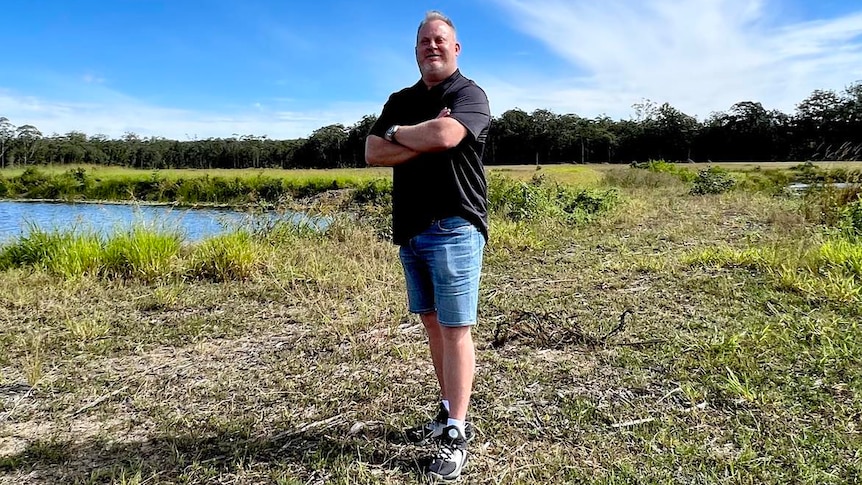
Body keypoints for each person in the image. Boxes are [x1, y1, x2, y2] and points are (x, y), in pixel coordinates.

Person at [365, 9, 491, 483]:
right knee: (433, 326)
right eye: (424, 41)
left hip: (455, 224)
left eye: (441, 40)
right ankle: (446, 410)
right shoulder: (401, 98)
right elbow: (372, 152)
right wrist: (413, 136)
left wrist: (403, 134)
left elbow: (447, 133)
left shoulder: (468, 94)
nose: (432, 46)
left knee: (457, 328)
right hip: (412, 229)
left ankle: (456, 432)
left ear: (455, 49)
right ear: (415, 50)